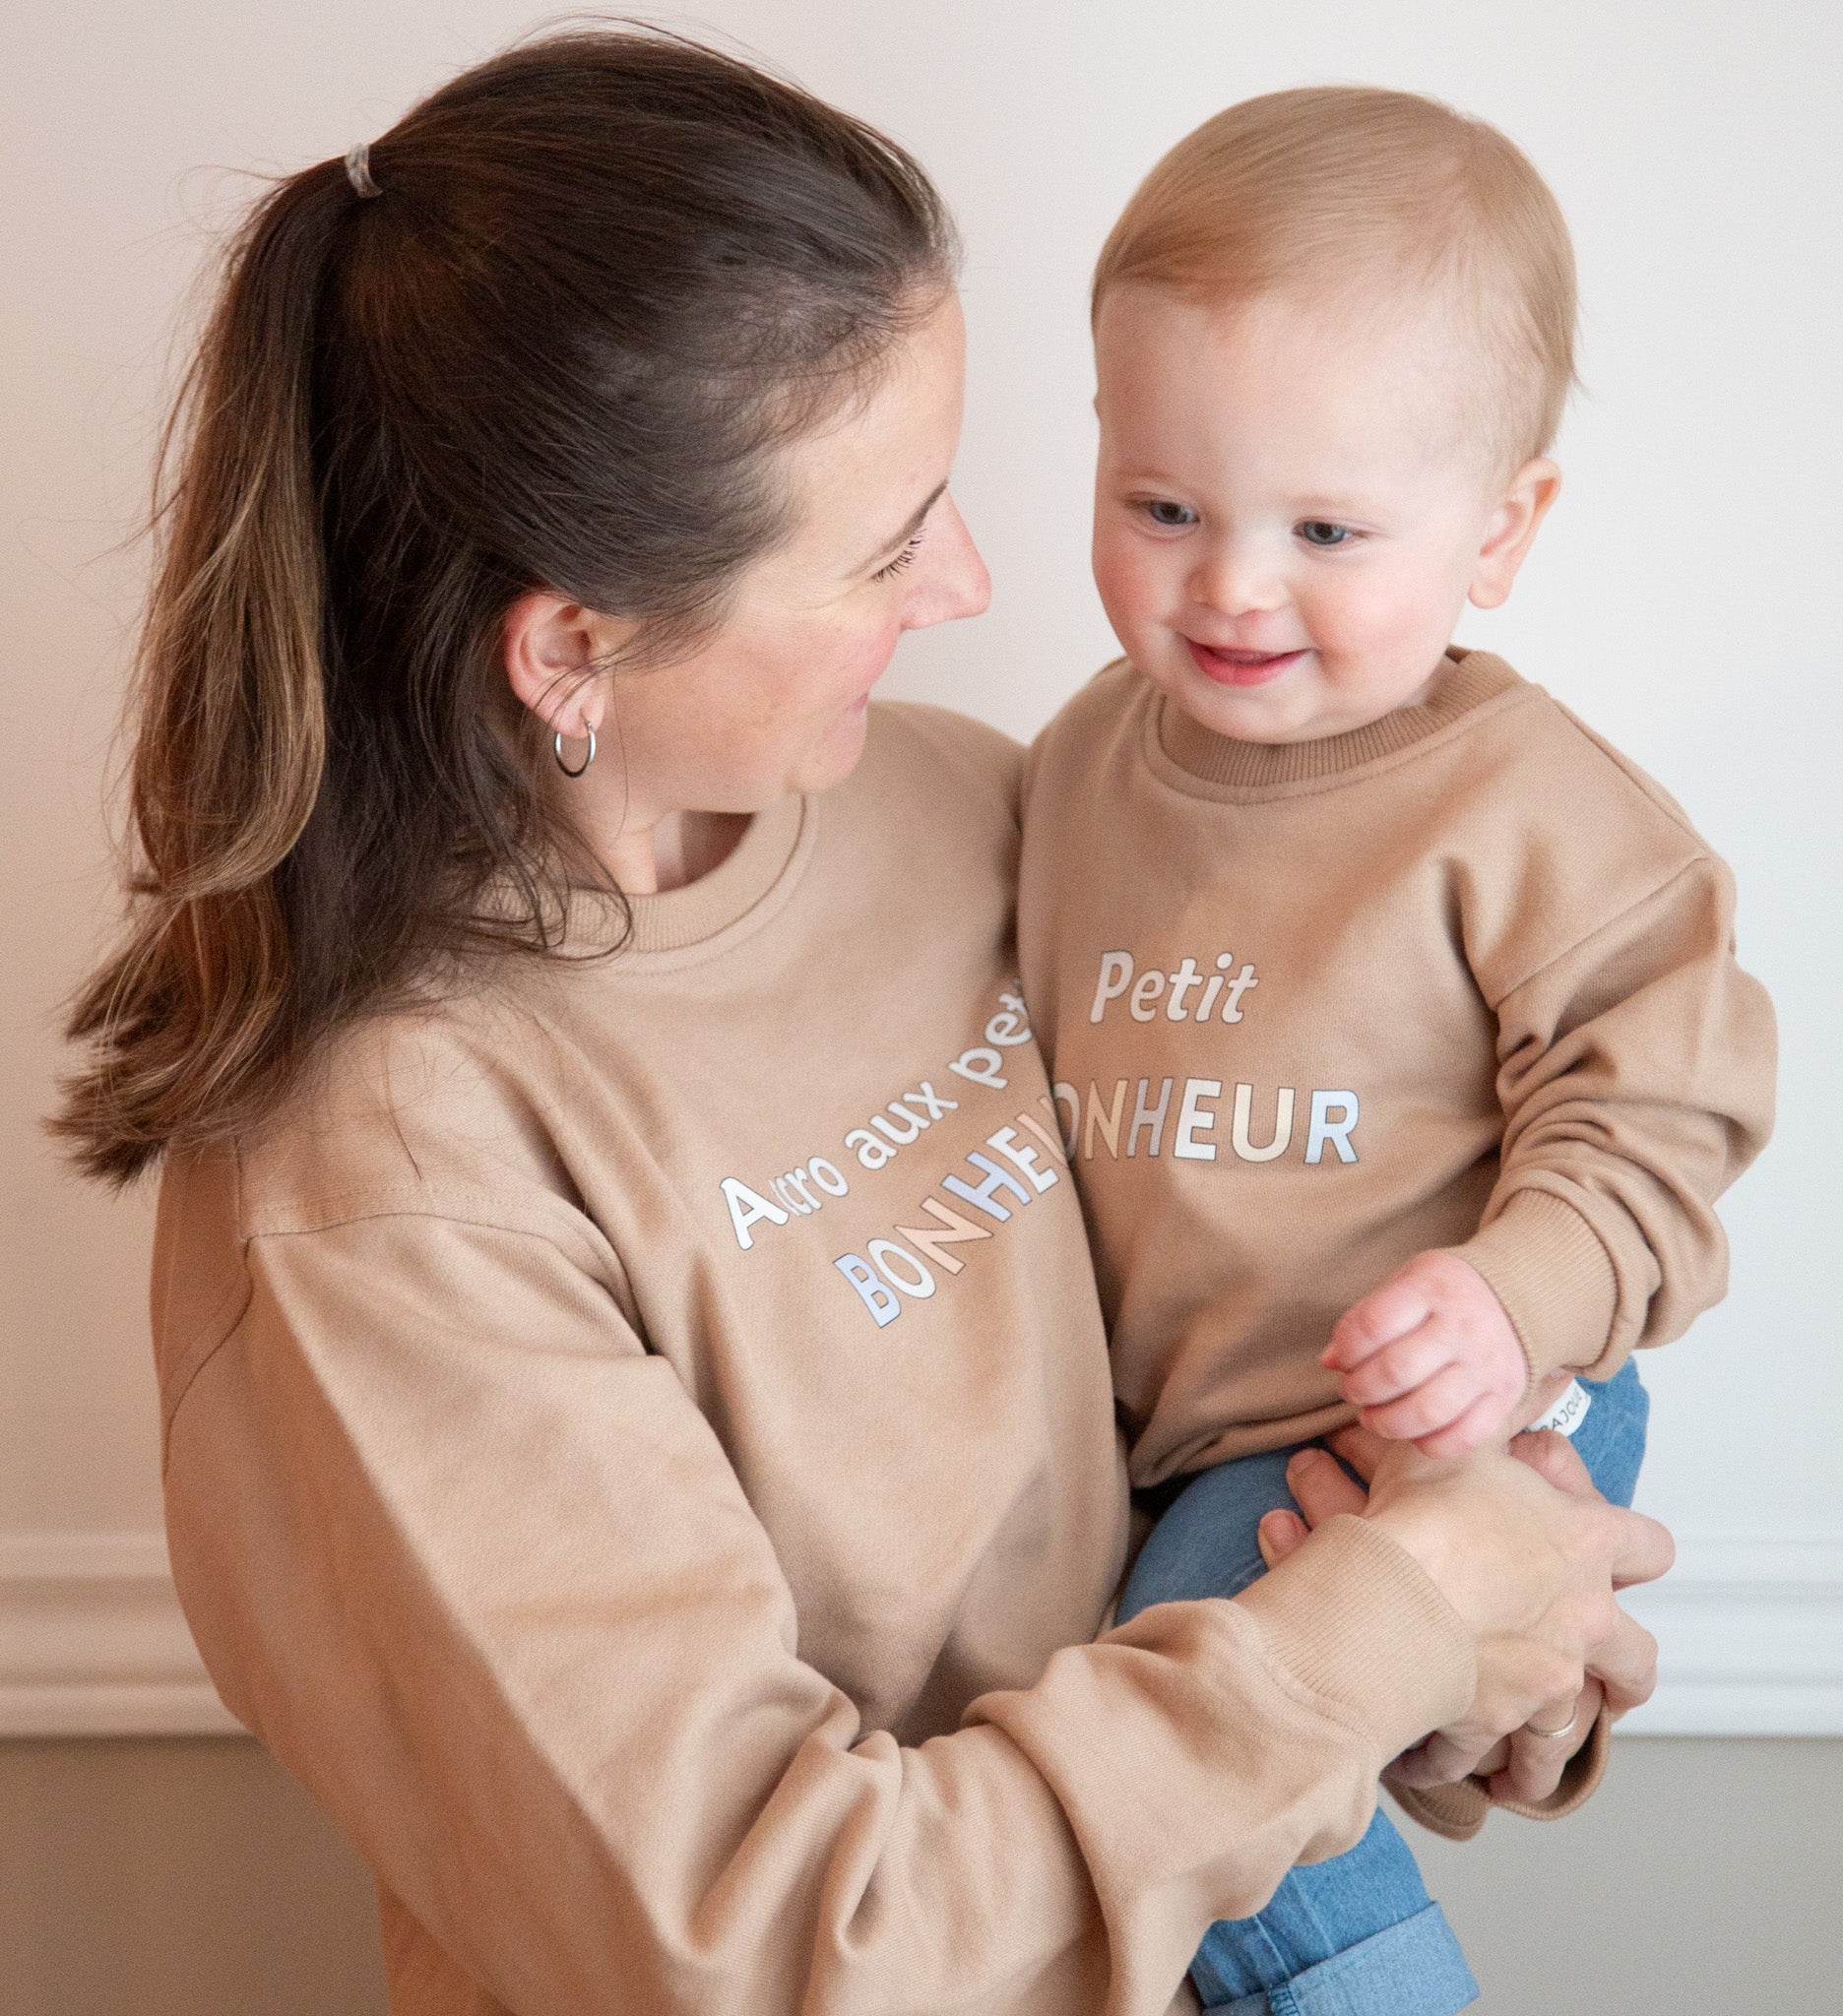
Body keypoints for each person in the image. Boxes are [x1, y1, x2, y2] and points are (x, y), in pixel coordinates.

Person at [55, 33, 1671, 2016]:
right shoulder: (380, 1192)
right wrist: (1395, 1622)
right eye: (890, 537)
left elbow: (1217, 1420)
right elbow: (781, 1944)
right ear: (573, 642)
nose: (975, 580)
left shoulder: (964, 810)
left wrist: (1494, 1635)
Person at [1018, 87, 1777, 2013]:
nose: (1230, 583)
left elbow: (1656, 1129)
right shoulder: (1071, 769)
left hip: (1456, 1397)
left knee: (1191, 1693)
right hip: (1181, 1431)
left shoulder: (1535, 814)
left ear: (1500, 528)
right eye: (1160, 506)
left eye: (1326, 528)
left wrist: (1506, 1304)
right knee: (1143, 1734)